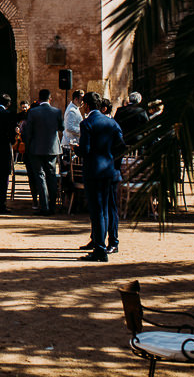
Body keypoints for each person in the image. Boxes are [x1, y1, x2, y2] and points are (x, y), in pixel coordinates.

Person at [77, 91, 124, 262]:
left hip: (94, 171)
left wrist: (76, 149)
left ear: (87, 106)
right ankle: (110, 242)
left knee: (98, 211)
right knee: (110, 208)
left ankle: (100, 248)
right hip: (110, 171)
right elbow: (121, 145)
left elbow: (85, 150)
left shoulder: (87, 123)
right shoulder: (112, 123)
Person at [22, 89, 63, 215]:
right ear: (50, 99)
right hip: (51, 148)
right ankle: (52, 206)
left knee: (40, 176)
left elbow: (28, 132)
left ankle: (44, 206)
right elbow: (61, 127)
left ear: (38, 99)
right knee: (51, 176)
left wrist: (28, 144)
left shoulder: (33, 112)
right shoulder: (56, 111)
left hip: (36, 148)